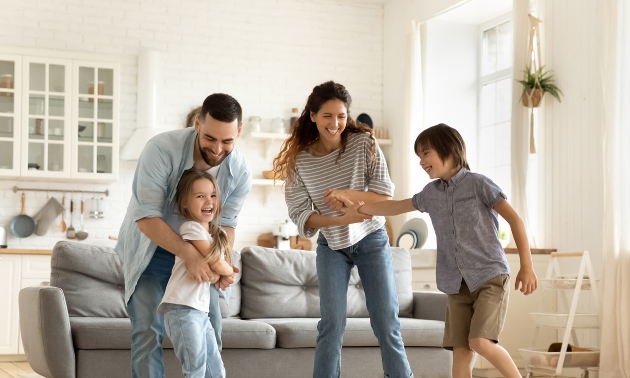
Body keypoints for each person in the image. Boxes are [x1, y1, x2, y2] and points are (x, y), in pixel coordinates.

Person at [338, 124, 538, 378]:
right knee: (460, 355)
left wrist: (527, 266)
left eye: (426, 153)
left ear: (449, 149)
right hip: (455, 284)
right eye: (419, 156)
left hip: (490, 277)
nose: (421, 161)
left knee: (479, 341)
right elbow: (396, 206)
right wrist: (360, 210)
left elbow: (515, 220)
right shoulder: (430, 194)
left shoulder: (479, 184)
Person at [271, 81, 414, 378]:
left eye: (341, 116)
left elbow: (384, 195)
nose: (335, 124)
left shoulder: (364, 144)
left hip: (371, 239)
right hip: (332, 245)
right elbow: (300, 215)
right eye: (327, 116)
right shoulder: (300, 161)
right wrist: (340, 220)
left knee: (386, 321)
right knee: (332, 324)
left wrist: (348, 195)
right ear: (312, 116)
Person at [115, 93, 252, 378]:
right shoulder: (161, 149)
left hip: (203, 251)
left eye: (227, 141)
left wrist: (220, 264)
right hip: (152, 249)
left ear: (239, 132)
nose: (217, 149)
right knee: (147, 330)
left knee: (211, 328)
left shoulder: (239, 170)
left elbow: (226, 225)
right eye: (210, 138)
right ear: (197, 124)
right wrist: (189, 254)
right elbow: (147, 216)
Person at [159, 168, 232, 378]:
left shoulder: (214, 234)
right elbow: (216, 264)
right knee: (196, 370)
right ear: (184, 204)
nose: (208, 201)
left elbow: (215, 269)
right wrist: (227, 272)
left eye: (212, 195)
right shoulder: (190, 228)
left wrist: (222, 272)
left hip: (200, 311)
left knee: (216, 370)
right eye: (200, 196)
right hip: (181, 309)